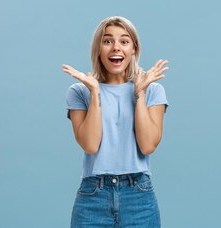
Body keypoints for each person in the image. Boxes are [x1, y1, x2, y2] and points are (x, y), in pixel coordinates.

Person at [62, 16, 169, 228]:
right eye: (108, 41)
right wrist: (95, 92)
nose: (115, 48)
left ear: (134, 49)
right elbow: (90, 145)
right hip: (93, 196)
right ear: (98, 48)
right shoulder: (80, 91)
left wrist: (139, 91)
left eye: (124, 41)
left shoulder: (153, 90)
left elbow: (148, 145)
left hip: (138, 194)